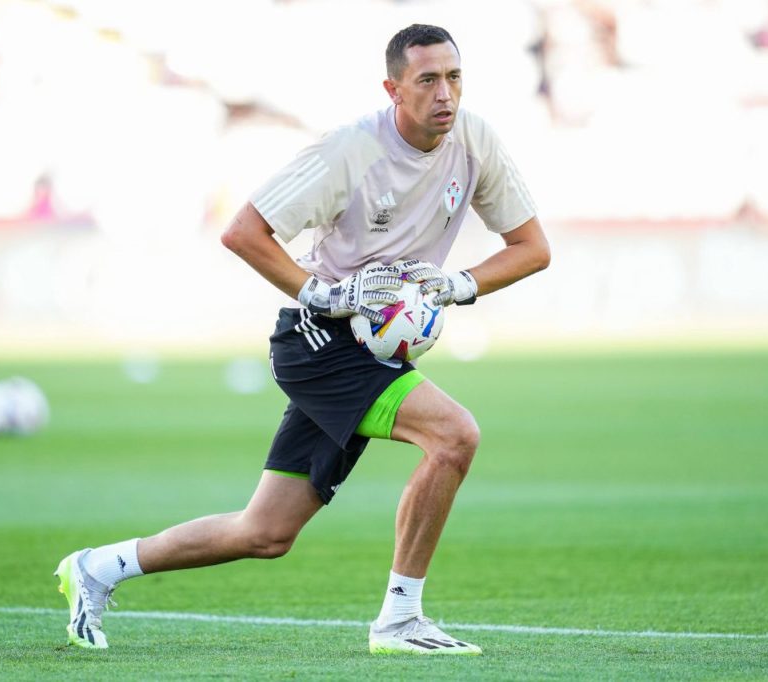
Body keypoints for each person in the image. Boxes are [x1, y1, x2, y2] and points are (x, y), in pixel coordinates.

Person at [55, 23, 551, 655]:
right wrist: (320, 292)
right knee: (454, 435)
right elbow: (244, 231)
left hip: (375, 348)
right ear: (393, 88)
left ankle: (97, 568)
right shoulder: (348, 152)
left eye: (454, 77)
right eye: (427, 80)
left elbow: (532, 249)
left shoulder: (475, 140)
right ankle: (400, 621)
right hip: (320, 340)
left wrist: (456, 284)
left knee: (265, 532)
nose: (445, 93)